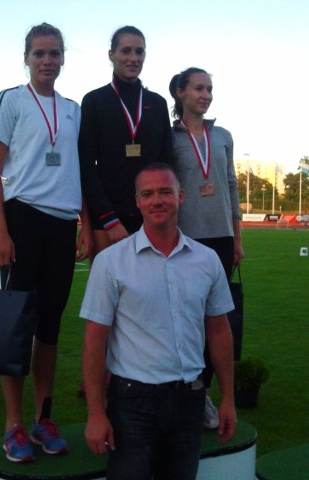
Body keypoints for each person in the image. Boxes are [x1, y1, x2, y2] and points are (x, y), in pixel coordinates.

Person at [80, 163, 237, 480]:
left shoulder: (206, 260)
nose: (157, 200)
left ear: (180, 196)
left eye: (165, 192)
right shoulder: (112, 262)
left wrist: (229, 399)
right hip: (132, 405)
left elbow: (219, 331)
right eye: (148, 194)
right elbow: (94, 340)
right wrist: (96, 414)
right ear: (137, 201)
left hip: (190, 400)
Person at [0, 22, 92, 463]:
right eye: (39, 53)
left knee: (49, 328)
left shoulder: (73, 109)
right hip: (23, 220)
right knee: (15, 328)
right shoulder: (9, 100)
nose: (48, 60)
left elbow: (77, 169)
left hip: (63, 224)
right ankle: (13, 425)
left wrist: (85, 221)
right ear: (26, 58)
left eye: (54, 53)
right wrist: (0, 230)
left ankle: (44, 418)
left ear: (64, 58)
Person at [168, 67, 244, 430]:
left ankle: (202, 394)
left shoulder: (224, 135)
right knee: (185, 322)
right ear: (180, 93)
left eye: (209, 88)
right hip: (186, 238)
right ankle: (180, 390)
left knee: (216, 320)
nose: (206, 94)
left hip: (221, 238)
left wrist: (238, 238)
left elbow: (230, 185)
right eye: (199, 88)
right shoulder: (169, 138)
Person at [79, 25, 172, 257]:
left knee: (152, 288)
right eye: (126, 51)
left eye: (139, 52)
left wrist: (161, 213)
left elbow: (167, 163)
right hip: (107, 220)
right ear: (111, 55)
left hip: (150, 216)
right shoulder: (94, 101)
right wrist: (109, 220)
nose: (133, 58)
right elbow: (86, 166)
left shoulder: (157, 104)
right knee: (109, 290)